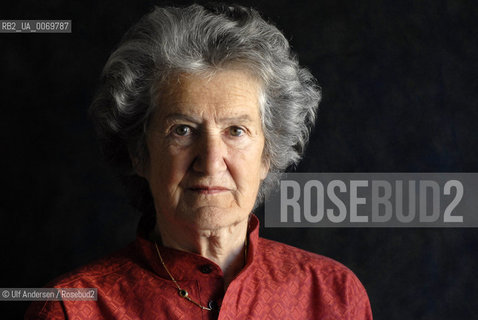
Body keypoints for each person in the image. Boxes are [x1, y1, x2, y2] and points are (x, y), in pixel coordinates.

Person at [26, 3, 372, 319]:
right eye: (183, 130)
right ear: (138, 154)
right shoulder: (73, 309)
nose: (210, 162)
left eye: (236, 130)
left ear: (269, 154)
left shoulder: (333, 295)